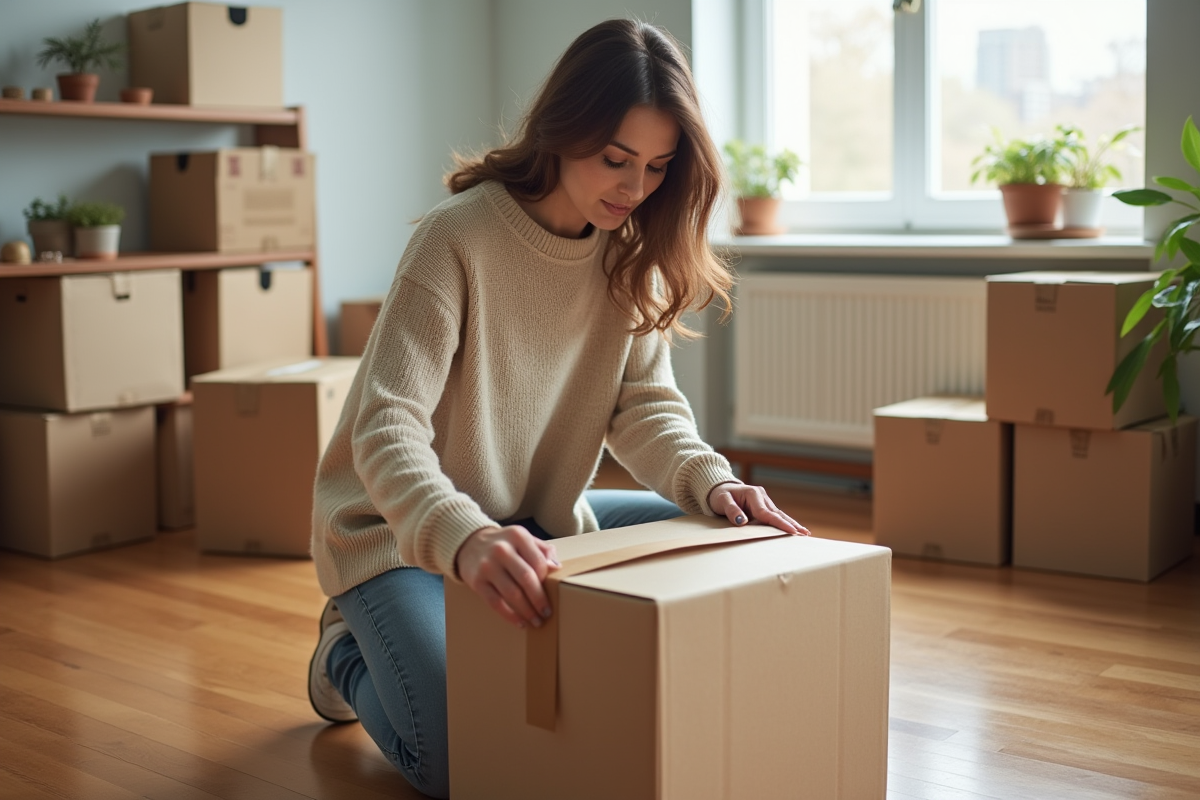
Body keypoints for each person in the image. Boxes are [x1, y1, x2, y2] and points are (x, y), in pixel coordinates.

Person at [306, 17, 808, 799]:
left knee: (727, 535)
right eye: (615, 160)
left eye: (656, 167)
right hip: (398, 532)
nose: (634, 188)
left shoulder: (627, 253)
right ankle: (344, 651)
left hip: (534, 523)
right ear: (563, 129)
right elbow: (385, 424)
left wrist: (712, 482)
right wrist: (466, 537)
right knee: (463, 756)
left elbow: (645, 407)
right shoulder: (455, 239)